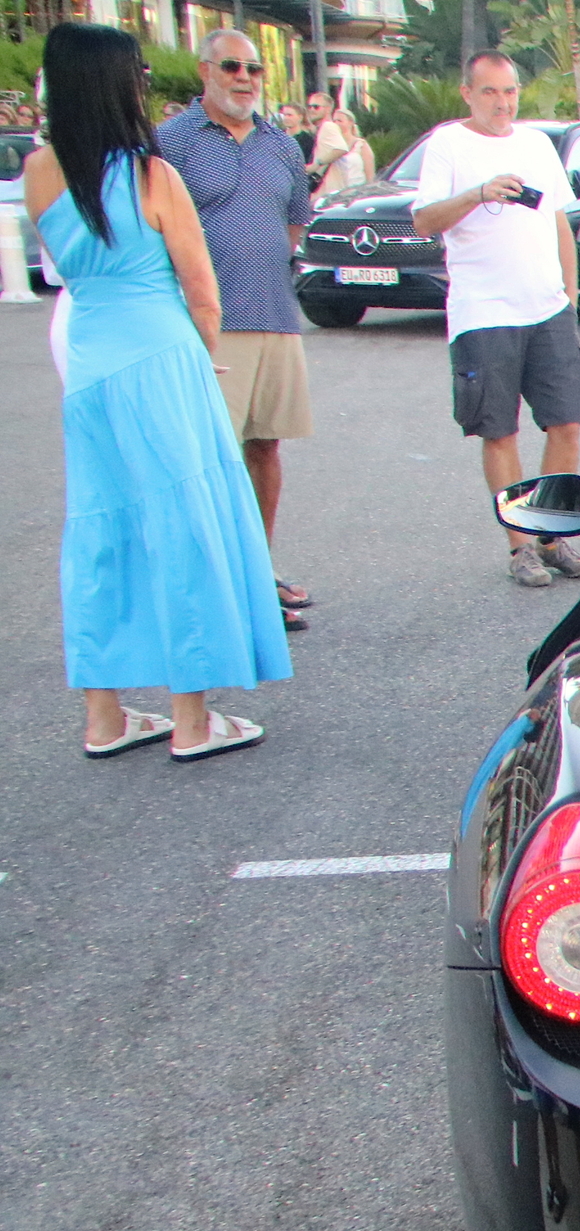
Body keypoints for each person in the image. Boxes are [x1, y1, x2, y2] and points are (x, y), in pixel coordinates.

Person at [27, 22, 288, 762]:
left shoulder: (43, 171)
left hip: (89, 366)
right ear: (119, 86)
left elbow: (67, 268)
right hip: (161, 358)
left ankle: (105, 717)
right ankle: (192, 719)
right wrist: (200, 357)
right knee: (184, 525)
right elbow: (202, 295)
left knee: (100, 531)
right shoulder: (152, 176)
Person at [411, 51, 580, 589]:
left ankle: (551, 535)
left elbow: (558, 220)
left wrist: (569, 295)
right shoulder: (448, 144)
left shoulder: (536, 144)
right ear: (467, 93)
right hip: (485, 310)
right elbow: (424, 221)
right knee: (500, 430)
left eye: (510, 91)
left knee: (566, 422)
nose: (503, 102)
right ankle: (521, 547)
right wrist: (477, 193)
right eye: (490, 92)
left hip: (547, 306)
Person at [157, 30, 319, 631]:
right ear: (205, 70)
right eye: (232, 66)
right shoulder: (169, 143)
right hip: (207, 326)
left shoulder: (280, 144)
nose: (245, 77)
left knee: (265, 448)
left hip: (277, 318)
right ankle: (212, 588)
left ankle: (257, 572)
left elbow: (295, 225)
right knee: (206, 459)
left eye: (253, 68)